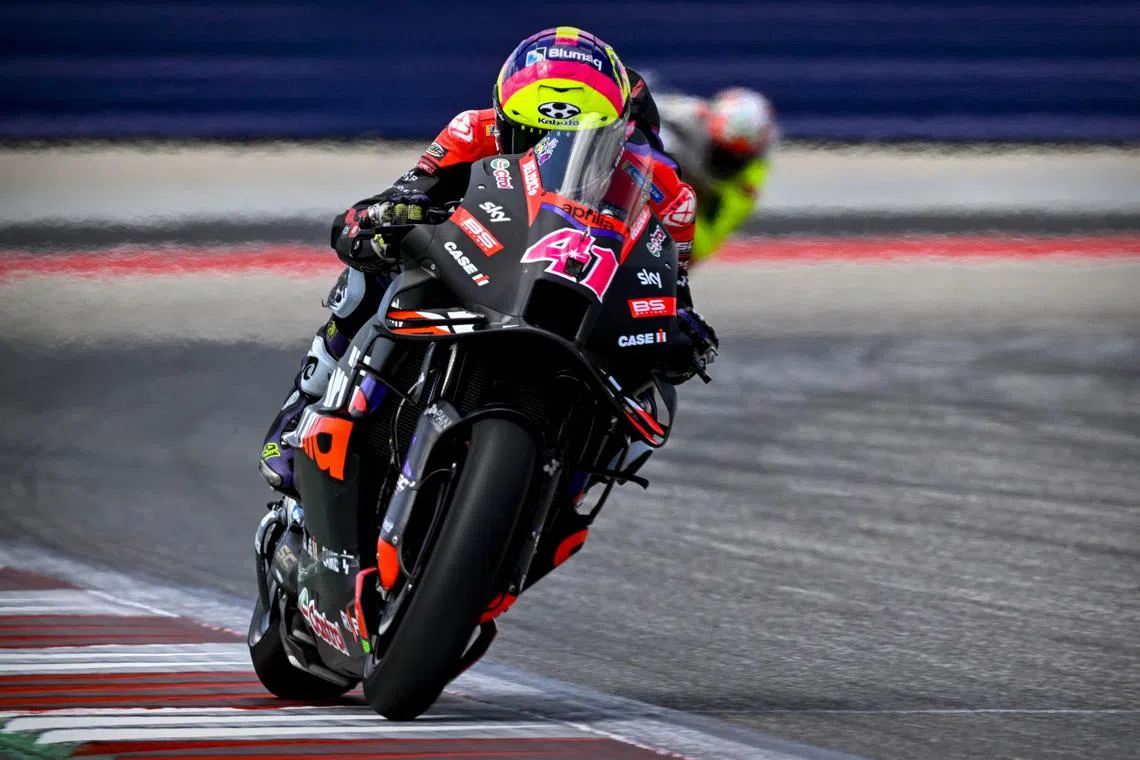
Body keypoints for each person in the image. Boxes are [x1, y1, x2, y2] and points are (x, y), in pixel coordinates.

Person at [259, 26, 718, 500]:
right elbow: (408, 191)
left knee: (649, 381)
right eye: (531, 134)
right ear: (502, 119)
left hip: (580, 288)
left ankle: (567, 490)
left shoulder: (666, 188)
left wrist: (680, 321)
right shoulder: (471, 130)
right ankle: (304, 404)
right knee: (374, 267)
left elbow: (670, 280)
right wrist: (381, 217)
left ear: (616, 131)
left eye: (576, 137)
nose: (548, 150)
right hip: (477, 253)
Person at [656, 87, 776, 264]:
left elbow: (703, 244)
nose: (725, 161)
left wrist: (669, 209)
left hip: (669, 217)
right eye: (720, 150)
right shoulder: (690, 112)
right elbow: (641, 102)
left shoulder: (746, 186)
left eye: (734, 156)